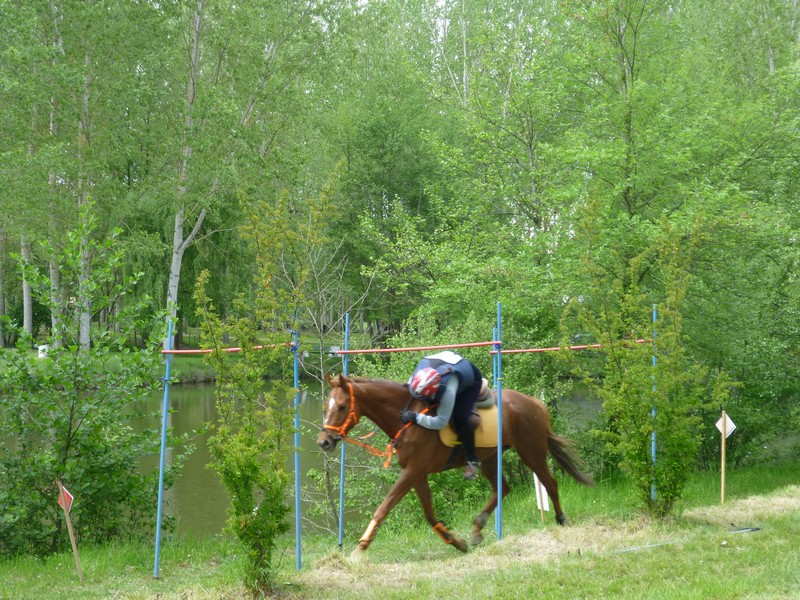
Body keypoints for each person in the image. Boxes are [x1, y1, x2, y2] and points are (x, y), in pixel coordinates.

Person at [400, 351, 483, 480]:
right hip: (444, 365)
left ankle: (472, 460)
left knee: (459, 417)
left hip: (469, 380)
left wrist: (416, 417)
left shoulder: (447, 391)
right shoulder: (416, 377)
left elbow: (441, 422)